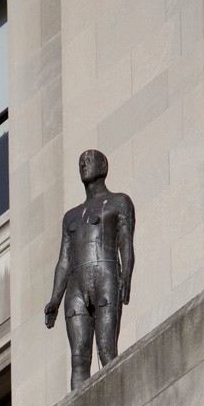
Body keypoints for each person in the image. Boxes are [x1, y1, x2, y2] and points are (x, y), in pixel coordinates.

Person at [45, 149, 135, 385]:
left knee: (106, 350)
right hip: (76, 285)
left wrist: (126, 274)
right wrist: (55, 299)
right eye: (80, 162)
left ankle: (115, 399)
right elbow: (64, 260)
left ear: (103, 166)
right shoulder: (70, 216)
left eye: (89, 160)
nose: (84, 164)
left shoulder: (119, 201)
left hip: (106, 276)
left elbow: (125, 242)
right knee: (78, 359)